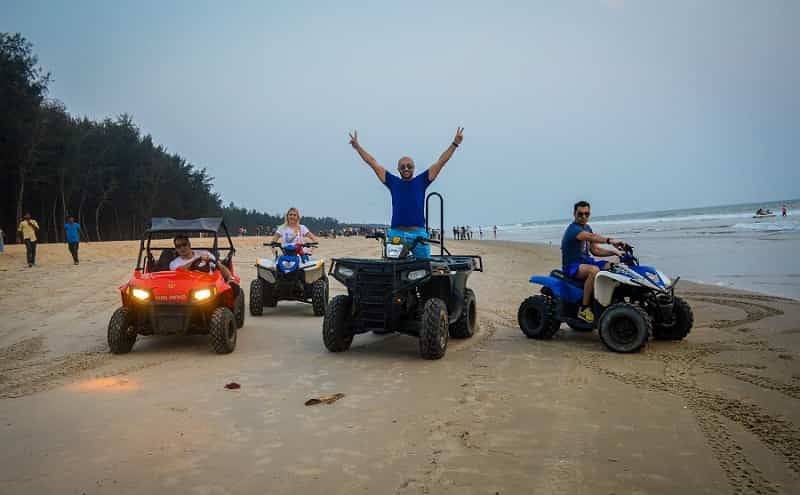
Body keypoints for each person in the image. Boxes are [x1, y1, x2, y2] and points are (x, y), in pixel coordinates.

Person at [349, 127, 464, 259]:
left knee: (425, 266)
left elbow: (441, 162)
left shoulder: (422, 180)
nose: (406, 168)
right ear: (398, 169)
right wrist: (358, 147)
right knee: (392, 269)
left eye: (409, 166)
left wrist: (455, 144)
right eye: (402, 166)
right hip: (397, 234)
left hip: (418, 233)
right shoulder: (393, 182)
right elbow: (373, 163)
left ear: (414, 168)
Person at [561, 201, 627, 324]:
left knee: (613, 267)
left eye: (587, 214)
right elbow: (591, 237)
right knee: (594, 271)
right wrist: (610, 240)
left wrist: (614, 252)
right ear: (574, 214)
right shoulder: (573, 229)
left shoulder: (587, 227)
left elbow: (595, 250)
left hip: (587, 262)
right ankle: (584, 308)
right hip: (572, 266)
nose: (584, 217)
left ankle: (610, 300)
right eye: (580, 214)